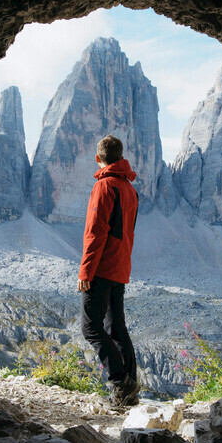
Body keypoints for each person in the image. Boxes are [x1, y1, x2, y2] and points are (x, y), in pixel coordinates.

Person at [78, 135, 140, 407]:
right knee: (117, 329)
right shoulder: (129, 188)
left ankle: (121, 383)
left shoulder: (105, 186)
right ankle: (130, 390)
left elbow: (95, 233)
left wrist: (86, 272)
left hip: (102, 267)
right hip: (121, 265)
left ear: (98, 157)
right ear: (121, 155)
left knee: (91, 328)